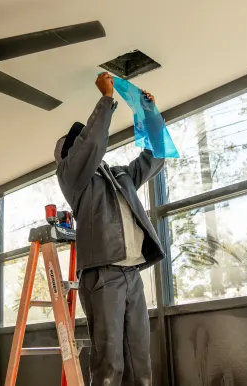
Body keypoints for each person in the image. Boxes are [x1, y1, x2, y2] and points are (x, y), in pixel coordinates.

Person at [53, 72, 166, 386]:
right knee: (109, 364)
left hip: (132, 275)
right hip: (103, 274)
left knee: (140, 361)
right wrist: (105, 101)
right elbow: (89, 148)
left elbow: (157, 156)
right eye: (77, 143)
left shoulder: (120, 177)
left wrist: (151, 116)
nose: (85, 145)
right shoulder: (73, 178)